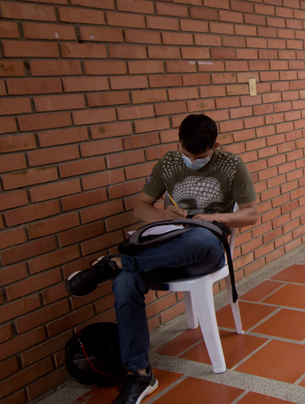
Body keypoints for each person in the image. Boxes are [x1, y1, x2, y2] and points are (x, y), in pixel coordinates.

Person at [65, 114, 258, 404]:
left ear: (216, 145)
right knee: (125, 283)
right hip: (165, 250)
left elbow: (251, 214)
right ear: (178, 142)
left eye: (202, 156)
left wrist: (213, 217)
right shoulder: (168, 163)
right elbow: (140, 208)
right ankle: (140, 374)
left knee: (202, 236)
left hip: (207, 250)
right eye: (187, 153)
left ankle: (116, 263)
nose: (193, 159)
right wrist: (162, 215)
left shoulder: (232, 165)